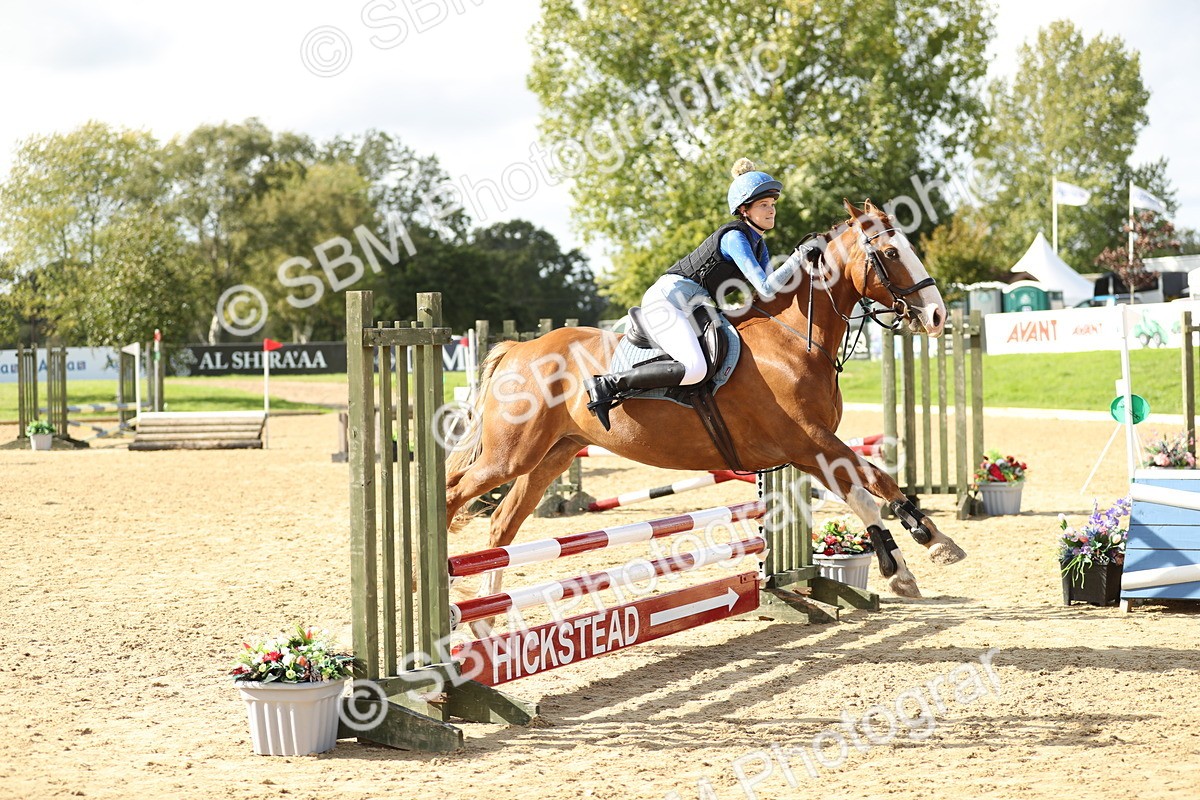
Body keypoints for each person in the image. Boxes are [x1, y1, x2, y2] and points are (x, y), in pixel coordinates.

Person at [585, 158, 816, 430]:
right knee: (695, 368)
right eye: (763, 205)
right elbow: (766, 286)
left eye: (773, 204)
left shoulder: (759, 246)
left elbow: (766, 291)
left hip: (693, 305)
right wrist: (797, 256)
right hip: (668, 301)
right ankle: (608, 384)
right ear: (744, 210)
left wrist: (804, 267)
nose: (771, 210)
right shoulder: (735, 237)